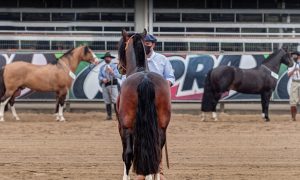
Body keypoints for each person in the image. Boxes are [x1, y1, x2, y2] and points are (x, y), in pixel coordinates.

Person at [98, 52, 121, 120]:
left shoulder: (114, 66)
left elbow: (118, 75)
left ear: (110, 58)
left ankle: (117, 116)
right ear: (104, 59)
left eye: (108, 57)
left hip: (112, 84)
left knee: (115, 100)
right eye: (106, 58)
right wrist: (103, 79)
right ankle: (109, 115)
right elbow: (99, 76)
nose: (107, 59)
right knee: (107, 100)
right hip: (105, 85)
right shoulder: (102, 67)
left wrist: (112, 72)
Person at [288, 51, 300, 121]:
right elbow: (289, 75)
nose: (293, 57)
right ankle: (293, 117)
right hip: (295, 82)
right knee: (293, 101)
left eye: (295, 56)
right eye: (293, 56)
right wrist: (294, 70)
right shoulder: (291, 64)